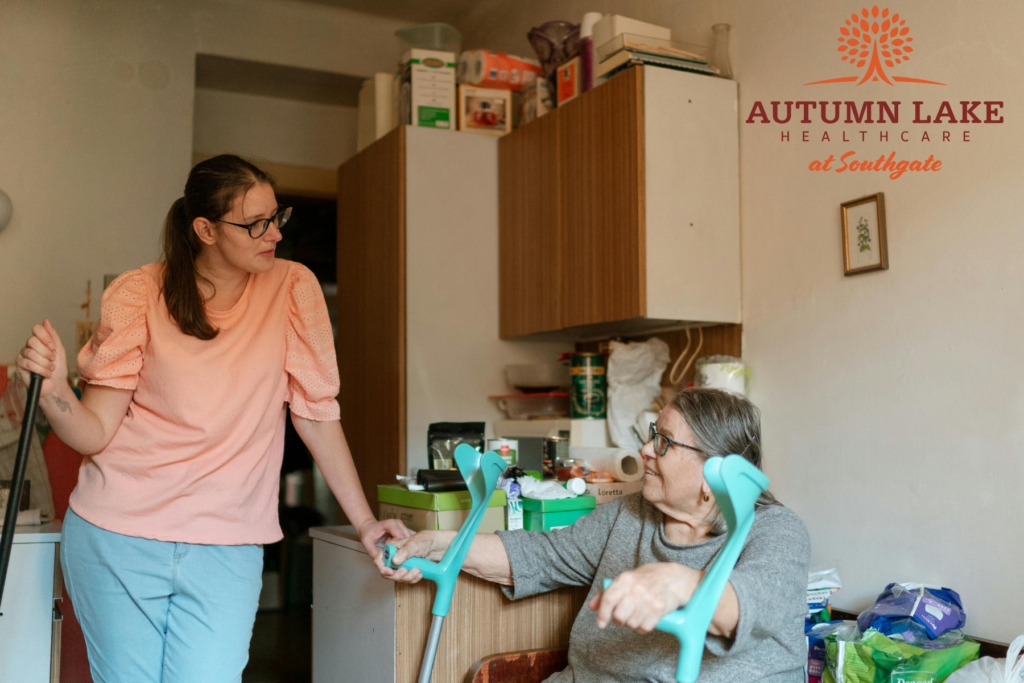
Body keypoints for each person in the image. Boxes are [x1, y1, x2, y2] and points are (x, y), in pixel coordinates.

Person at [15, 154, 412, 683]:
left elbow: (316, 415)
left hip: (227, 545)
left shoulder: (294, 288)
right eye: (255, 224)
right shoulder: (140, 294)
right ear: (205, 229)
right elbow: (96, 431)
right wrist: (55, 389)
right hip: (118, 536)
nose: (273, 234)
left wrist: (364, 522)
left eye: (277, 218)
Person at [377, 387, 810, 683]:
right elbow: (537, 556)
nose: (644, 449)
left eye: (663, 442)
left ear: (713, 473)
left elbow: (759, 604)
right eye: (651, 435)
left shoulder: (774, 530)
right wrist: (439, 542)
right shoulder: (630, 514)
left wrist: (677, 582)